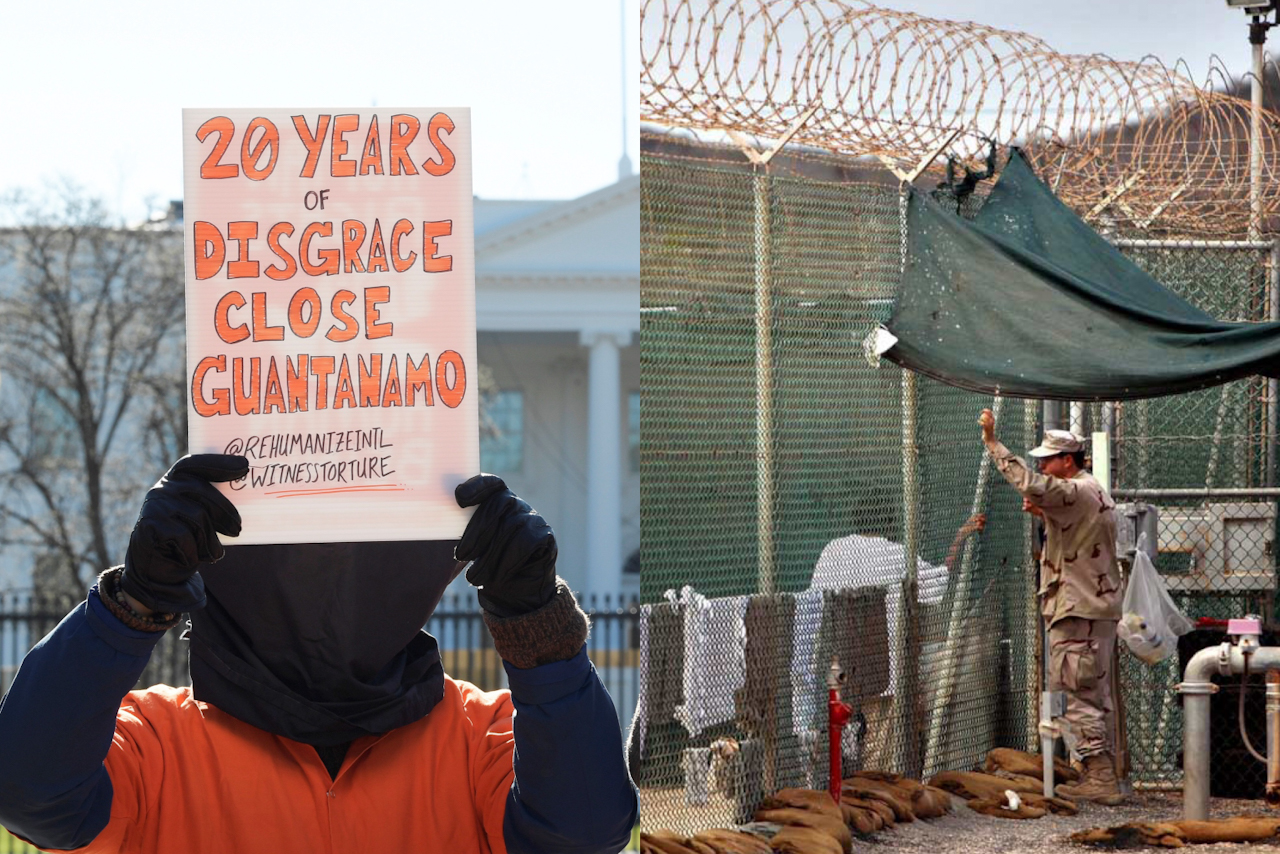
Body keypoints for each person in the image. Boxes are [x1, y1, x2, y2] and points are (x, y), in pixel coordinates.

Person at [0, 455, 638, 853]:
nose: (326, 583)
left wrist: (537, 622)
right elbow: (30, 795)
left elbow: (582, 833)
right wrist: (132, 603)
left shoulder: (477, 736)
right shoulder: (158, 743)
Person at [979, 409, 1123, 806]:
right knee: (1093, 691)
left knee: (1077, 690)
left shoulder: (1075, 490)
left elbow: (1030, 482)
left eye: (1048, 459)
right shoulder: (1090, 491)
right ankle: (1099, 770)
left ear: (1068, 461)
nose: (1042, 464)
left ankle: (1100, 775)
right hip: (1092, 606)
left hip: (1078, 608)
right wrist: (1046, 513)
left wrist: (994, 444)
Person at [804, 511, 986, 769]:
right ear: (890, 523)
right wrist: (959, 538)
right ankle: (873, 786)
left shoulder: (833, 550)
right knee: (877, 745)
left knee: (837, 734)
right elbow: (936, 585)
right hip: (880, 669)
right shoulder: (894, 553)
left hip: (837, 662)